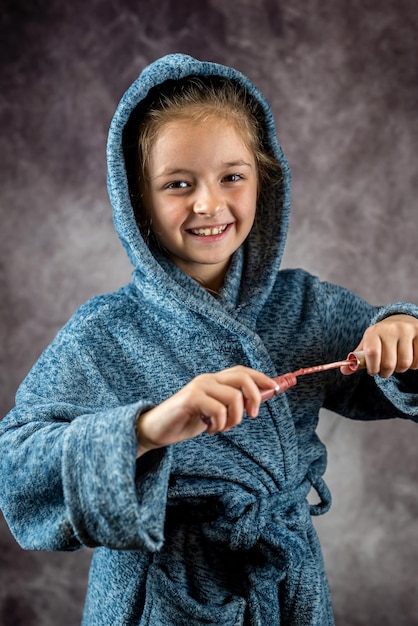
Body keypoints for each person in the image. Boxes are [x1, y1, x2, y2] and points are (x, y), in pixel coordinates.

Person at [0, 53, 417, 626]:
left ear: (262, 181)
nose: (208, 204)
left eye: (232, 177)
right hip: (159, 599)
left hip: (286, 589)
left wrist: (402, 332)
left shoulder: (304, 307)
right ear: (136, 200)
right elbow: (16, 471)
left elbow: (387, 363)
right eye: (178, 184)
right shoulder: (104, 334)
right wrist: (148, 429)